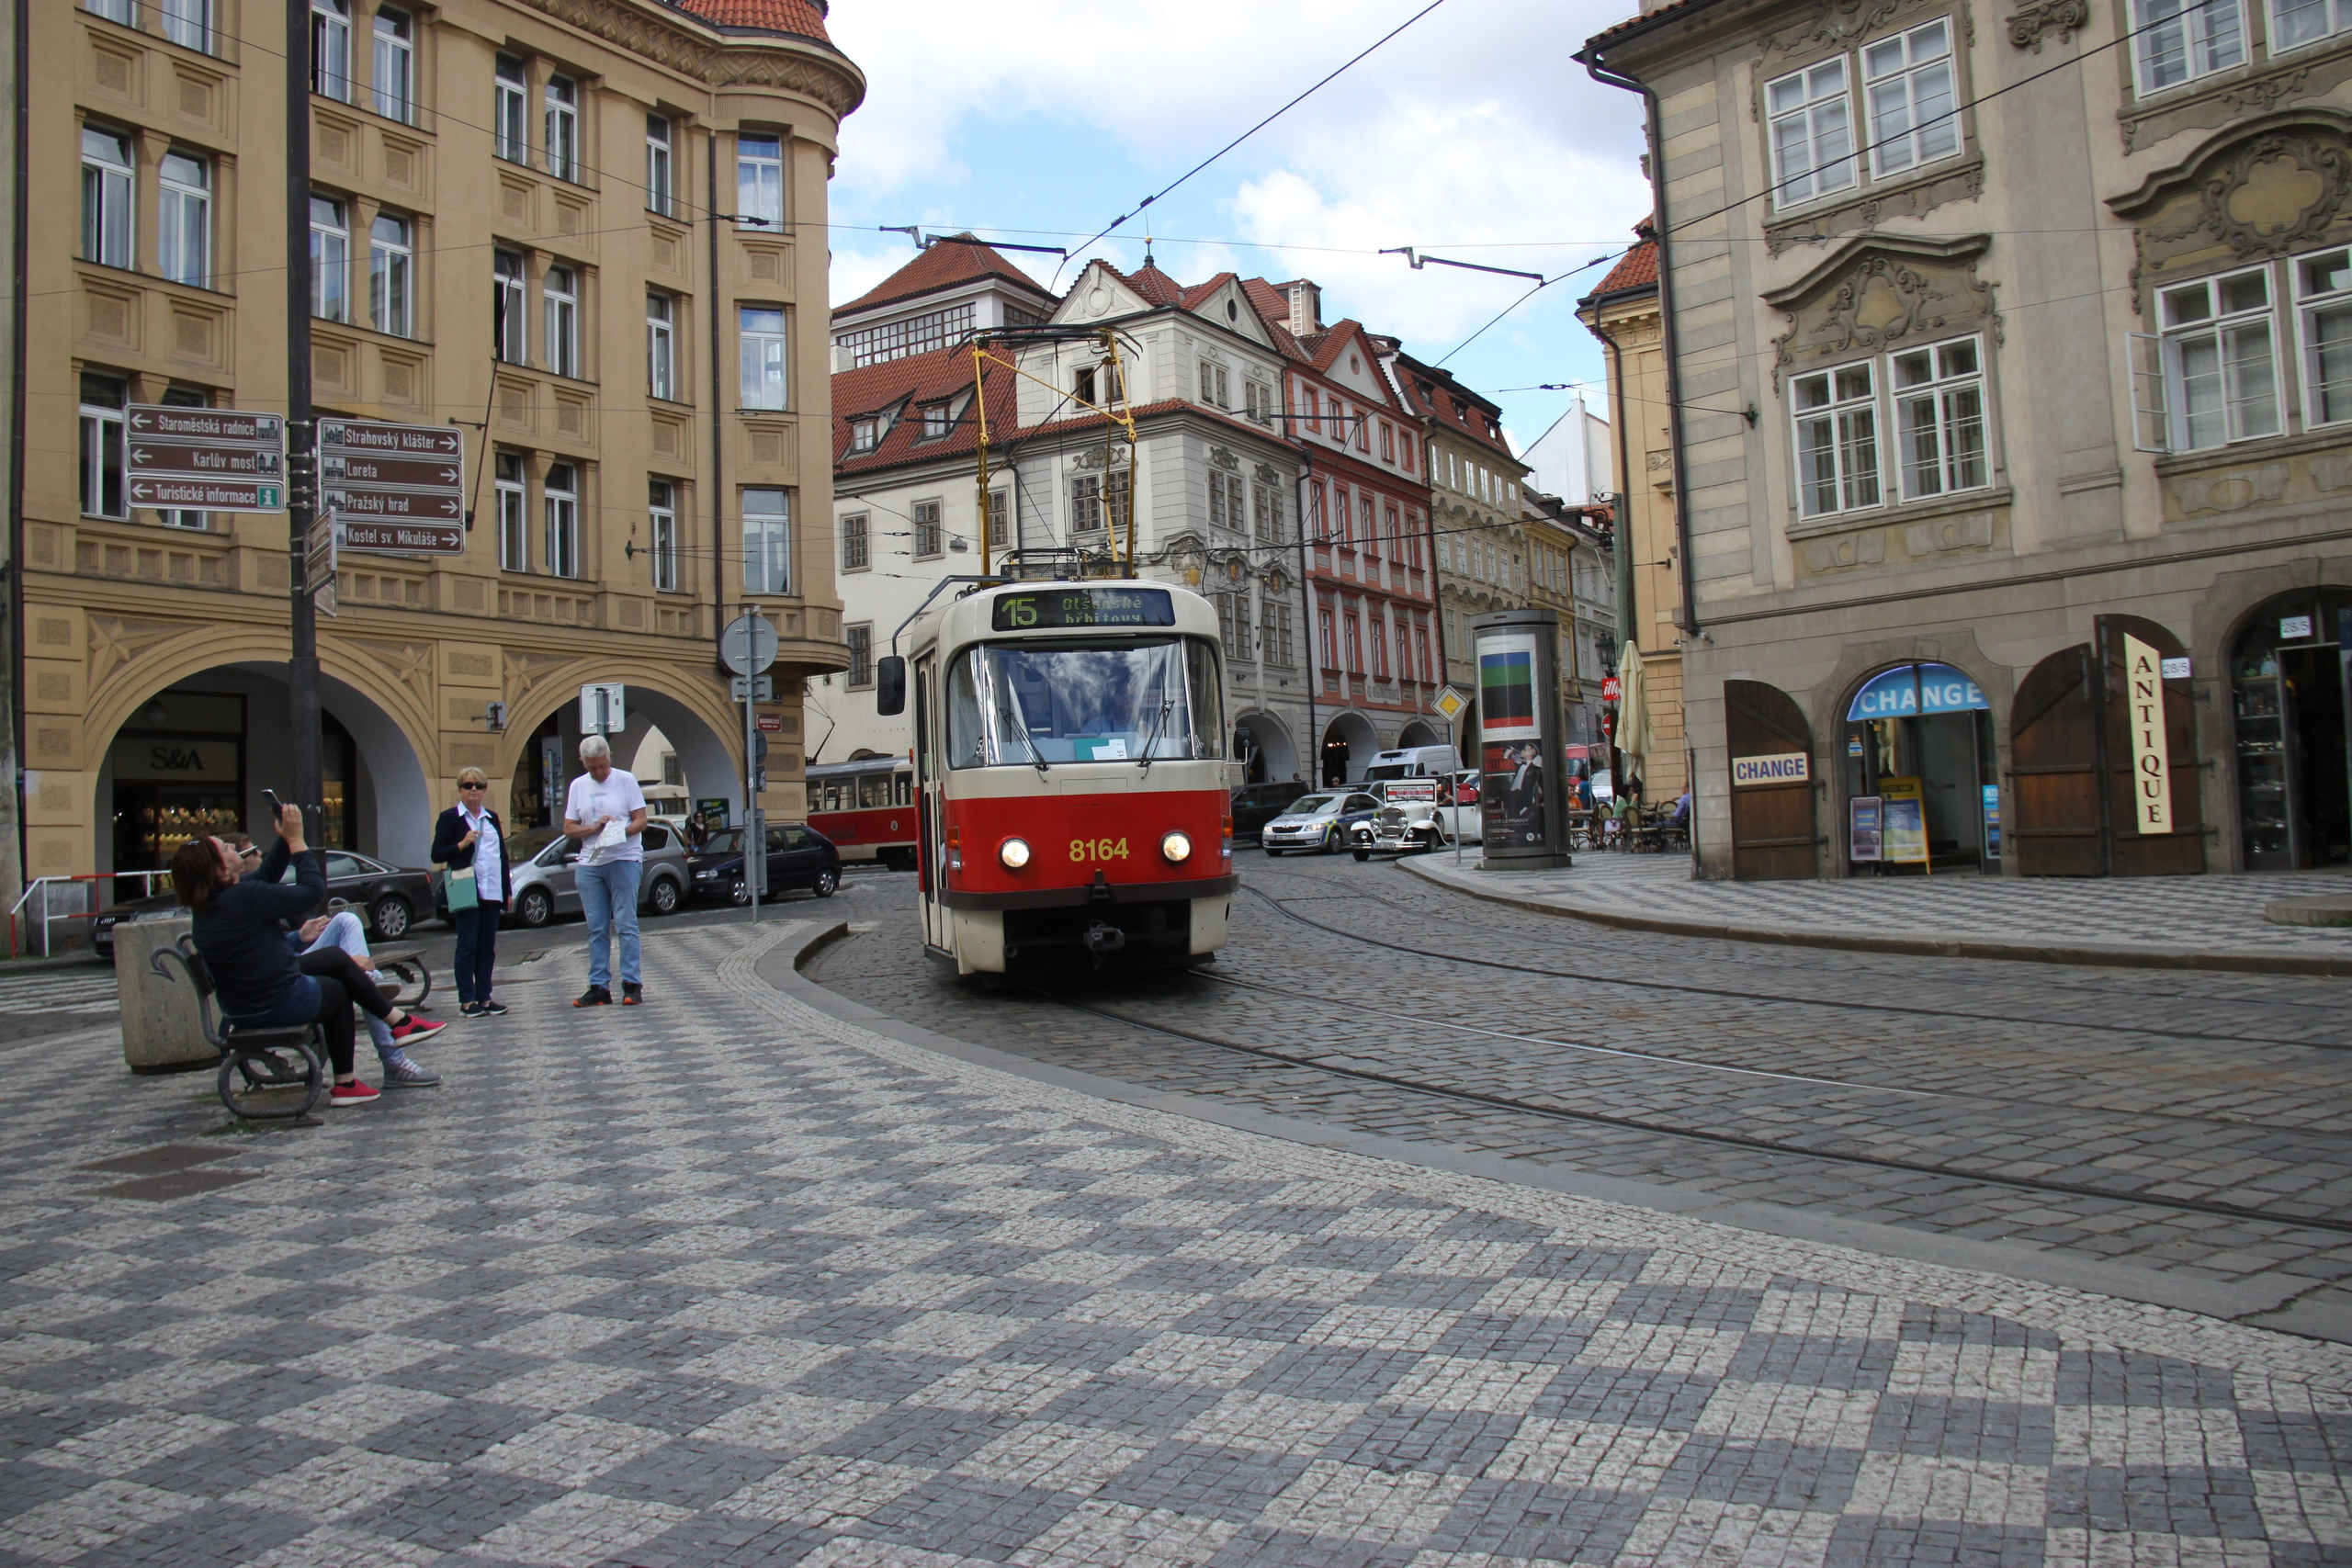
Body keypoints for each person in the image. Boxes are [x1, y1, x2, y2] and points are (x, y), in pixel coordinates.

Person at [173, 805, 443, 1106]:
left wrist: (285, 838)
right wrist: (299, 844)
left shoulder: (212, 903)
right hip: (274, 1000)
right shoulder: (243, 898)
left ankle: (395, 1024)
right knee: (340, 989)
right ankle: (350, 1078)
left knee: (335, 958)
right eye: (227, 848)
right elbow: (312, 892)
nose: (235, 849)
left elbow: (265, 873)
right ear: (222, 870)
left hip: (246, 1002)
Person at [294, 909, 440, 1087]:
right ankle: (394, 1059)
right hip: (275, 977)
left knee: (346, 920)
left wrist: (297, 937)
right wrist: (344, 961)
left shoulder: (257, 894)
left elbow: (270, 947)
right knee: (347, 977)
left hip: (284, 961)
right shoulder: (256, 893)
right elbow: (265, 960)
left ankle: (367, 982)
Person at [563, 734, 648, 1007]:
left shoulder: (625, 780)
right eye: (592, 768)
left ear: (609, 758)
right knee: (596, 927)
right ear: (583, 763)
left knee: (625, 922)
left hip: (623, 858)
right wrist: (594, 828)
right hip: (590, 862)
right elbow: (569, 828)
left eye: (602, 766)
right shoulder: (578, 786)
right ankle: (599, 986)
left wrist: (618, 830)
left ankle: (632, 984)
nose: (598, 772)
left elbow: (641, 821)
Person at [432, 766, 510, 1019]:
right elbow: (436, 854)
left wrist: (507, 890)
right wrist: (462, 844)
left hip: (492, 890)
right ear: (460, 791)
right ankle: (467, 1000)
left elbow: (502, 856)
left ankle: (485, 997)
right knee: (467, 945)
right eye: (468, 785)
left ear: (485, 789)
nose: (473, 789)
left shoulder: (491, 817)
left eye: (478, 785)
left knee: (487, 946)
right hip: (468, 889)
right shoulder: (450, 818)